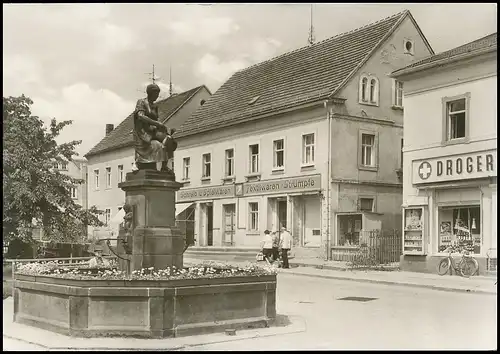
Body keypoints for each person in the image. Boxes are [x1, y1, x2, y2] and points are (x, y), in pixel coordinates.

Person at [133, 83, 177, 175]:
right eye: (155, 94)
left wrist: (163, 128)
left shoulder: (154, 106)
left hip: (152, 131)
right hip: (142, 132)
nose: (157, 96)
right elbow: (140, 116)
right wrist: (156, 123)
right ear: (150, 93)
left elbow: (156, 120)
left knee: (169, 140)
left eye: (157, 94)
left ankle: (164, 166)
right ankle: (137, 162)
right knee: (158, 144)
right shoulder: (141, 102)